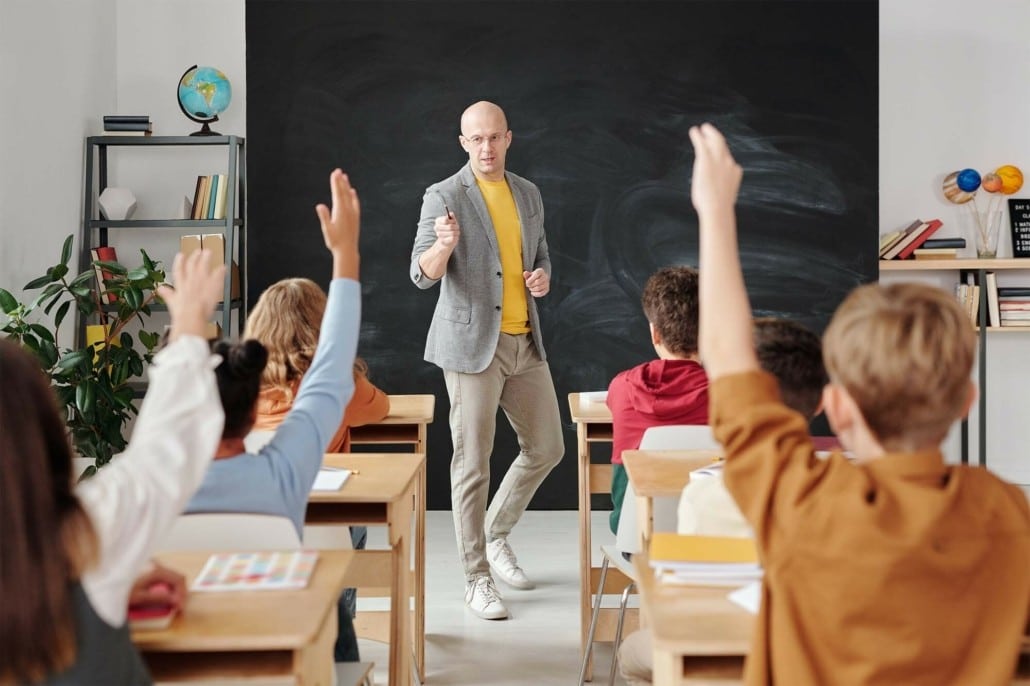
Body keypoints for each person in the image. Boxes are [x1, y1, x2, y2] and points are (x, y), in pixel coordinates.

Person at [689, 123, 1030, 684]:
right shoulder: (1004, 510)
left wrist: (715, 209)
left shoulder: (800, 500)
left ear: (836, 406)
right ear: (966, 401)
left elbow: (727, 355)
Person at [0, 249, 226, 685]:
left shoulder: (94, 548)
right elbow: (165, 448)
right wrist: (188, 328)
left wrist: (115, 579)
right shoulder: (91, 532)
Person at [184, 169, 365, 662]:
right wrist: (345, 256)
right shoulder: (285, 470)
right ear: (247, 407)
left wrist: (186, 321)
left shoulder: (149, 483)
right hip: (286, 649)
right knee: (330, 603)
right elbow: (330, 368)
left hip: (184, 651)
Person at [410, 100, 564, 620]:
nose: (486, 147)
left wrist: (542, 277)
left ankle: (495, 534)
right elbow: (421, 273)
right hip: (472, 346)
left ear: (508, 138)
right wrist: (443, 246)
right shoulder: (444, 195)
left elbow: (539, 255)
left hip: (525, 341)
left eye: (494, 137)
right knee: (472, 463)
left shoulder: (528, 193)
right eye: (476, 139)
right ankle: (477, 577)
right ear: (463, 143)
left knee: (547, 446)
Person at [618, 316, 827, 685]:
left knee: (632, 654)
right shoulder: (854, 491)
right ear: (822, 405)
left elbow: (688, 602)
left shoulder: (704, 495)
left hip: (730, 651)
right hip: (819, 653)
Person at [244, 277, 390, 625]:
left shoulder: (240, 380)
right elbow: (379, 409)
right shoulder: (336, 381)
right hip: (324, 513)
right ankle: (340, 630)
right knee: (354, 523)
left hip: (255, 512)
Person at [606, 266, 708, 535]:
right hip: (711, 538)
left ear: (655, 334)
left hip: (637, 537)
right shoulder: (729, 394)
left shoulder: (622, 387)